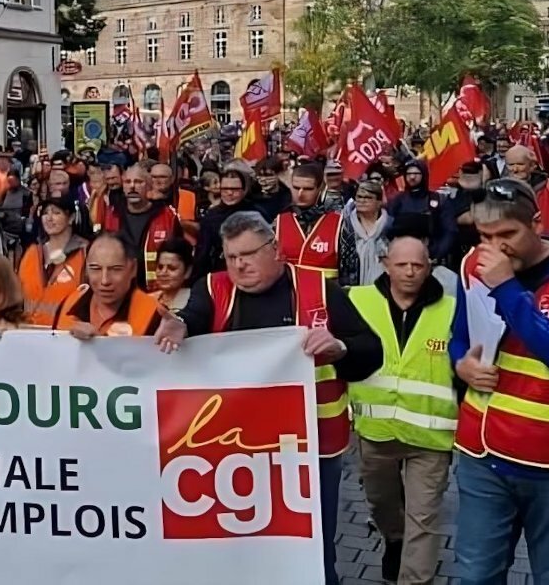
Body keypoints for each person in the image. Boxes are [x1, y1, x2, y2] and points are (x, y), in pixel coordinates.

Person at [155, 211, 384, 585]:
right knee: (241, 547)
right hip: (232, 450)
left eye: (248, 254)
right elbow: (193, 317)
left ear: (275, 249)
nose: (239, 265)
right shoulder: (213, 289)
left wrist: (340, 347)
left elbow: (371, 352)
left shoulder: (319, 288)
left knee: (311, 548)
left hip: (309, 450)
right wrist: (179, 323)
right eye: (231, 257)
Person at [450, 177, 549, 585]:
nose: (494, 247)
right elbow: (460, 337)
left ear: (537, 223)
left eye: (507, 234)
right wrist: (461, 365)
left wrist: (507, 288)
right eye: (485, 235)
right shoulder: (473, 263)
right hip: (482, 453)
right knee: (475, 575)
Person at [346, 236, 457, 584]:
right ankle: (394, 539)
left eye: (418, 265)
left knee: (423, 521)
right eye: (401, 264)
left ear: (430, 266)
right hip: (376, 433)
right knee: (381, 506)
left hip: (431, 437)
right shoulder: (357, 301)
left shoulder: (453, 309)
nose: (410, 272)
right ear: (384, 263)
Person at [53, 233, 162, 337]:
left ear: (133, 268)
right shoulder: (69, 304)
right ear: (85, 269)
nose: (105, 281)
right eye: (96, 269)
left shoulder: (154, 314)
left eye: (115, 269)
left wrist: (100, 344)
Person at [100, 162, 184, 292]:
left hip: (156, 292)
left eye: (139, 182)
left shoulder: (167, 216)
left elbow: (179, 258)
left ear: (149, 186)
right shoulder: (112, 214)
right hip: (120, 291)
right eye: (128, 182)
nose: (132, 186)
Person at [19, 197, 87, 326]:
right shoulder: (32, 253)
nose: (49, 218)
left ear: (71, 218)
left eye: (56, 212)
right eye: (45, 213)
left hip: (66, 337)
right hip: (29, 334)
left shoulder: (86, 253)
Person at [276, 163, 344, 280]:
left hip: (326, 294)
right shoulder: (278, 222)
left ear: (321, 188)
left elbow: (350, 274)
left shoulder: (340, 223)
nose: (300, 194)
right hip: (289, 295)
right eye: (296, 188)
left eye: (308, 189)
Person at [192, 167, 261, 280]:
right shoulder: (211, 216)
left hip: (250, 273)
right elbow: (203, 252)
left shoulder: (256, 214)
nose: (229, 193)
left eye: (235, 189)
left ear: (243, 190)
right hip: (219, 273)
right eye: (225, 189)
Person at [387, 160, 456, 263]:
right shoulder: (397, 201)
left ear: (423, 175)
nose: (412, 177)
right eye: (409, 174)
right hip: (403, 256)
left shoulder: (438, 200)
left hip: (431, 257)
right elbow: (388, 229)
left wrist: (436, 254)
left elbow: (450, 230)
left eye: (416, 174)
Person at [339, 181, 392, 287]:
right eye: (359, 197)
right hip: (350, 287)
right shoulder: (344, 226)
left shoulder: (391, 227)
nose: (362, 201)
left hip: (384, 287)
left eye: (368, 197)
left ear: (379, 202)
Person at [151, 237, 194, 311]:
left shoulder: (195, 303)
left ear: (187, 271)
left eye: (172, 268)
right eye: (160, 267)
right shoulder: (147, 300)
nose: (163, 273)